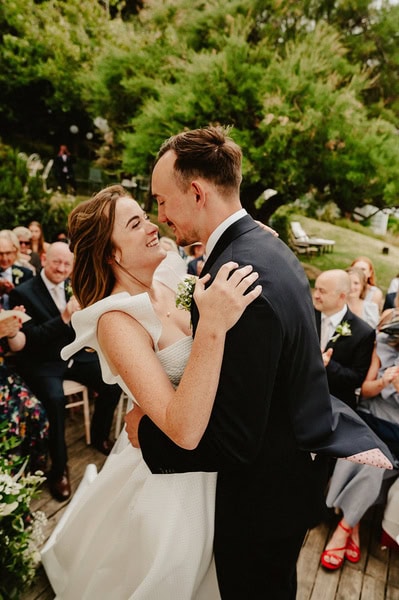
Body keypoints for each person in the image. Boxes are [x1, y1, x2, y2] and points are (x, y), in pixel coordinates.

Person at [126, 126, 394, 598]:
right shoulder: (267, 248)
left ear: (196, 191)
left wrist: (147, 432)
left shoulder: (244, 281)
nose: (159, 214)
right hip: (287, 483)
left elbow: (235, 440)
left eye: (162, 201)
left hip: (261, 503)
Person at [41, 185, 262, 599]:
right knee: (171, 566)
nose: (152, 225)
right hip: (171, 471)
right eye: (135, 223)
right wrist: (211, 324)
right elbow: (179, 426)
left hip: (220, 453)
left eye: (146, 215)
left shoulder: (171, 273)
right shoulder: (117, 320)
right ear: (112, 255)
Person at [8, 242, 121, 502]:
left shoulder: (75, 285)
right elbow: (30, 339)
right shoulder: (23, 293)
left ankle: (100, 435)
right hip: (42, 362)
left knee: (112, 380)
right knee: (55, 401)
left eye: (67, 264)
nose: (61, 268)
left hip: (74, 355)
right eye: (56, 262)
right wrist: (63, 317)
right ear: (45, 259)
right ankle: (59, 469)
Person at [321, 320, 399, 570]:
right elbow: (364, 390)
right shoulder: (385, 343)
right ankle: (350, 526)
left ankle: (344, 529)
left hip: (396, 433)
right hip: (370, 420)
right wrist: (384, 383)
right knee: (363, 457)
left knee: (376, 463)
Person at [313, 269, 375, 409]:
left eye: (322, 291)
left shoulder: (363, 332)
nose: (315, 295)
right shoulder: (306, 316)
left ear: (341, 297)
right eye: (316, 289)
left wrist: (329, 365)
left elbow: (357, 378)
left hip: (334, 404)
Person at [0, 311, 48, 473]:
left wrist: (12, 332)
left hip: (3, 377)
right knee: (9, 423)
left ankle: (32, 467)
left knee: (37, 412)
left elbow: (18, 345)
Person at [0, 230, 34, 309]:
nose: (5, 258)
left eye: (8, 253)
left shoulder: (26, 274)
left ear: (15, 252)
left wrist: (13, 292)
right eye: (0, 254)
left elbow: (31, 302)